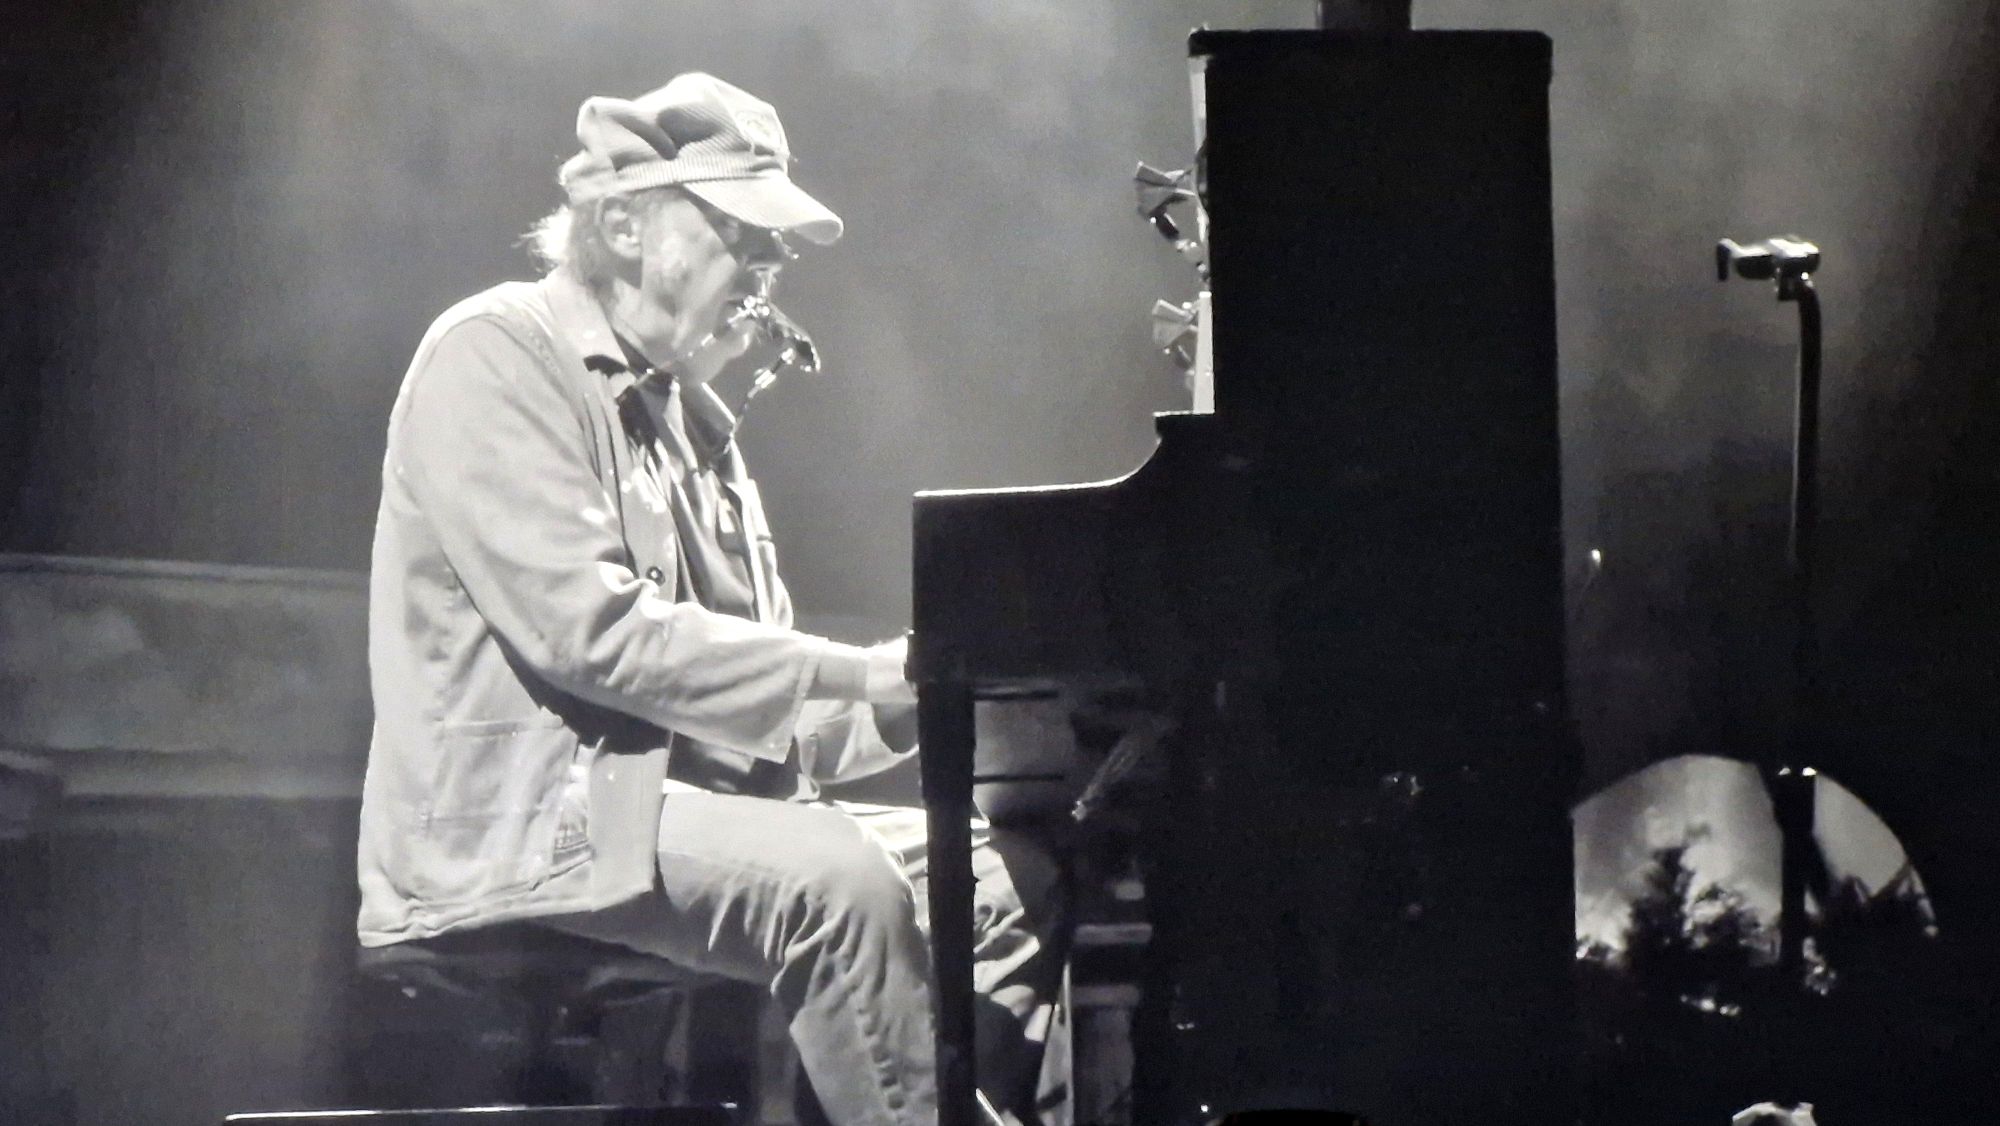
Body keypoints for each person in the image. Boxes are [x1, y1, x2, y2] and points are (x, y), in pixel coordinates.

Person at [356, 73, 1064, 1126]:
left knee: (1012, 879)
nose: (769, 267)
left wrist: (928, 689)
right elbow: (591, 635)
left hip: (668, 813)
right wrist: (859, 669)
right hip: (522, 822)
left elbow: (772, 725)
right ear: (624, 227)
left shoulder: (698, 431)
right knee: (835, 882)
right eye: (741, 231)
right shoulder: (494, 352)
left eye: (774, 246)